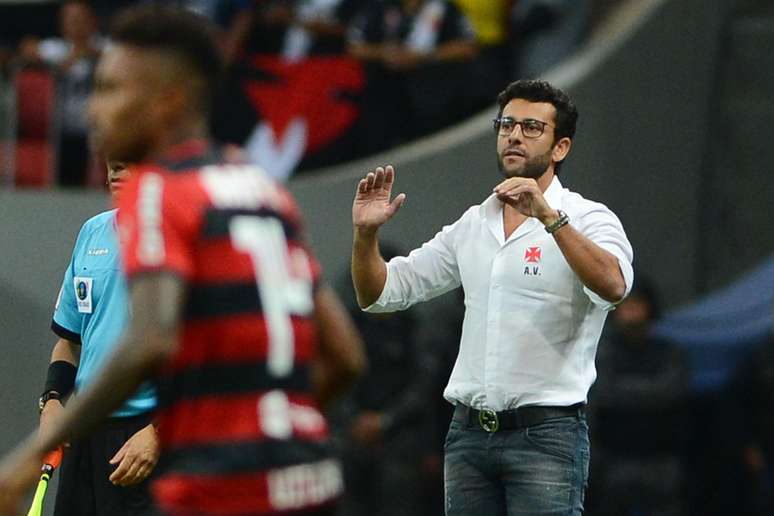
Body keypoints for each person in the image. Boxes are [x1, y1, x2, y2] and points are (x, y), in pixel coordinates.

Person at [0, 5, 365, 516]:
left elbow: (151, 339)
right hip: (304, 478)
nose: (92, 110)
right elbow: (345, 356)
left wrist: (28, 458)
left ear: (167, 101)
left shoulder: (158, 193)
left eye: (111, 90)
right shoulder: (261, 188)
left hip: (214, 487)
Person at [350, 79, 634, 515]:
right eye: (506, 124)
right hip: (468, 436)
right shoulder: (472, 224)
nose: (514, 135)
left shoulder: (588, 217)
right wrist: (366, 236)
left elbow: (613, 286)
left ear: (560, 149)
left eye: (532, 128)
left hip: (546, 435)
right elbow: (381, 293)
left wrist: (548, 217)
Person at [40, 160, 159, 515]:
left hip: (142, 440)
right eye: (111, 165)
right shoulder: (91, 233)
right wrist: (52, 402)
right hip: (85, 433)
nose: (113, 174)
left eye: (127, 164)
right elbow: (69, 341)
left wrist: (157, 434)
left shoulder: (178, 237)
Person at [588, 277, 689, 516]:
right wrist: (648, 392)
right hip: (613, 461)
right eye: (626, 304)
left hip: (661, 462)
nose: (632, 311)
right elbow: (603, 393)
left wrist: (628, 393)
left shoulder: (670, 352)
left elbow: (671, 392)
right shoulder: (601, 353)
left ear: (650, 308)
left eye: (638, 304)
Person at [18, 0, 103, 186]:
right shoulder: (57, 48)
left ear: (92, 20)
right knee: (62, 177)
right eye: (69, 19)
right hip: (61, 128)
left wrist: (89, 53)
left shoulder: (104, 46)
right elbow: (28, 48)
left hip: (94, 128)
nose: (74, 24)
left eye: (80, 19)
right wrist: (65, 62)